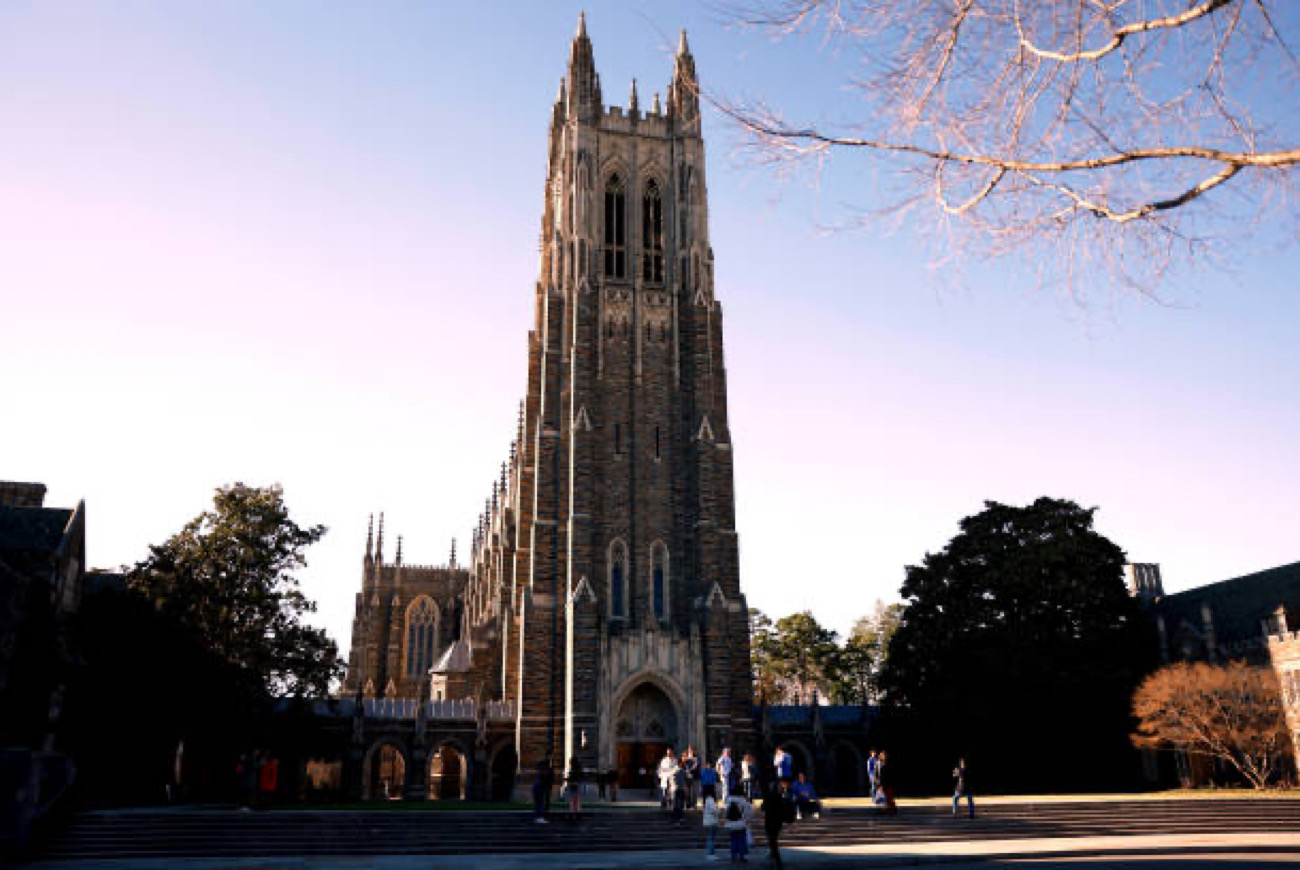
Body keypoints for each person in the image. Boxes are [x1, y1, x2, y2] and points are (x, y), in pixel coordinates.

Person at [761, 780, 790, 870]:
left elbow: (763, 808)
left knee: (772, 840)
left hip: (770, 821)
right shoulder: (780, 798)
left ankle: (776, 858)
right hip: (777, 822)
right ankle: (774, 855)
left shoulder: (768, 797)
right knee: (773, 839)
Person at [724, 789, 751, 863]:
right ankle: (741, 857)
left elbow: (727, 812)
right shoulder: (743, 801)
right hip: (741, 823)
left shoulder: (728, 801)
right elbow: (747, 812)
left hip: (731, 823)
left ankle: (733, 857)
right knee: (741, 841)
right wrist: (746, 821)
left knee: (733, 840)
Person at [532, 757, 553, 824]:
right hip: (540, 787)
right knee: (540, 803)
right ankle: (539, 817)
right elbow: (544, 779)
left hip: (538, 787)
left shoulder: (540, 772)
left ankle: (538, 817)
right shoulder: (543, 772)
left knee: (539, 803)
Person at [702, 789, 721, 861]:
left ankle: (710, 853)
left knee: (710, 838)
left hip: (708, 821)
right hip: (711, 821)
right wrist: (718, 811)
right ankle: (710, 854)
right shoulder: (710, 800)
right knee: (711, 838)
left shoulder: (707, 801)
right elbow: (714, 810)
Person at [877, 751, 897, 815]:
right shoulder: (880, 764)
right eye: (881, 756)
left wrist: (881, 783)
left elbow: (886, 775)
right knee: (886, 797)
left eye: (883, 756)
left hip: (887, 783)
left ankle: (892, 810)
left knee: (889, 797)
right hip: (885, 783)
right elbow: (880, 775)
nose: (881, 757)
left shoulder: (886, 765)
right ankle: (889, 810)